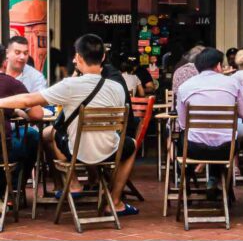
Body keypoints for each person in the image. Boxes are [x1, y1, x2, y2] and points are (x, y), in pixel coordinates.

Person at [0, 34, 139, 216]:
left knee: (51, 133)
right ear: (103, 57)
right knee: (132, 145)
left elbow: (28, 101)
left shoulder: (69, 86)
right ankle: (115, 201)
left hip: (77, 152)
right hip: (110, 150)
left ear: (79, 58)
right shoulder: (117, 87)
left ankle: (72, 182)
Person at [177, 47, 243, 198]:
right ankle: (218, 182)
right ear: (218, 65)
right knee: (220, 140)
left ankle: (186, 179)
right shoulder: (232, 83)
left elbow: (183, 124)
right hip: (227, 148)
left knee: (181, 141)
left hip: (194, 148)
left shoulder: (185, 87)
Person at [0, 44, 43, 199]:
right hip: (2, 151)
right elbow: (38, 114)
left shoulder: (34, 76)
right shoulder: (11, 83)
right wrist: (15, 108)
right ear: (4, 61)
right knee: (32, 136)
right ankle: (14, 190)